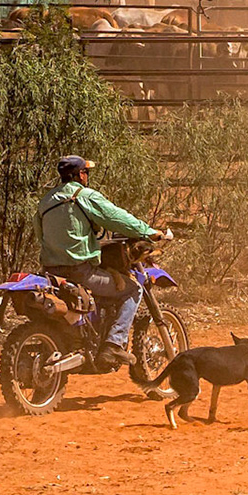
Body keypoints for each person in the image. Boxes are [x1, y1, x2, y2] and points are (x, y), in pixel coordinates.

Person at [38, 155, 162, 367]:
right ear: (81, 175)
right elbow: (116, 218)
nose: (87, 176)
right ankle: (113, 345)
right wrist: (148, 232)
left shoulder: (46, 202)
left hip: (51, 273)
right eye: (86, 172)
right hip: (80, 272)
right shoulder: (83, 196)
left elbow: (40, 236)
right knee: (133, 289)